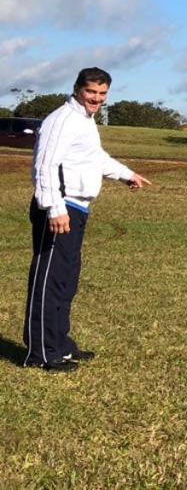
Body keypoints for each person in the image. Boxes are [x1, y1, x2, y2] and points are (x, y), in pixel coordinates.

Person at [23, 67, 151, 372]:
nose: (96, 98)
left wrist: (126, 174)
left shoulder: (85, 121)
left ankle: (60, 344)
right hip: (60, 210)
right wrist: (54, 208)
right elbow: (45, 166)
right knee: (49, 282)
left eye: (102, 93)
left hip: (78, 209)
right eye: (91, 92)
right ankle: (41, 353)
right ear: (78, 88)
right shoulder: (63, 120)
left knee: (66, 282)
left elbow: (94, 158)